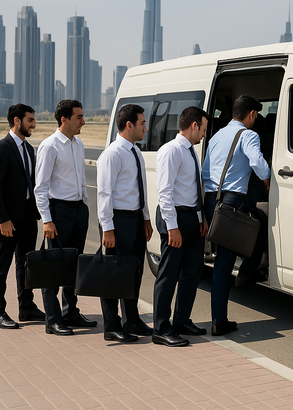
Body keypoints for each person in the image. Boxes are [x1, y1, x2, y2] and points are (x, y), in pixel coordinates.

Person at [202, 95, 271, 336]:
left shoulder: (217, 135)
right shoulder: (248, 135)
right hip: (232, 202)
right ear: (251, 114)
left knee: (222, 255)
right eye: (256, 115)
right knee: (255, 228)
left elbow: (205, 171)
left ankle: (221, 313)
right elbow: (257, 162)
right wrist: (267, 178)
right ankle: (219, 319)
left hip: (213, 201)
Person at [34, 99, 97, 336]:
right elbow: (40, 188)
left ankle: (70, 311)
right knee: (54, 266)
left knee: (75, 264)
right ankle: (52, 318)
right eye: (79, 117)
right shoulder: (50, 146)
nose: (83, 121)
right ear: (64, 119)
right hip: (59, 211)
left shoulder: (78, 144)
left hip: (79, 209)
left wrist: (85, 206)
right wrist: (47, 220)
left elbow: (81, 179)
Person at [152, 106, 210, 347]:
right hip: (175, 218)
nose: (205, 134)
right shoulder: (171, 151)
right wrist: (172, 226)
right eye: (204, 129)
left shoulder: (190, 151)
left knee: (192, 272)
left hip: (191, 219)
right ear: (194, 125)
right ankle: (161, 328)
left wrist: (201, 219)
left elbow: (191, 189)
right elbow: (165, 192)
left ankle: (181, 320)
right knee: (168, 274)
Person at [96, 104, 154, 343]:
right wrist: (107, 228)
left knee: (134, 272)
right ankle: (111, 325)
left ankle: (132, 319)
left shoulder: (136, 152)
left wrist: (146, 218)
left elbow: (141, 189)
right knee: (113, 274)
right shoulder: (112, 154)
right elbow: (104, 194)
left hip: (135, 219)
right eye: (142, 123)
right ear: (129, 125)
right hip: (117, 221)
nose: (145, 127)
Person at [0, 104, 45, 329]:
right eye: (30, 120)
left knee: (26, 264)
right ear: (17, 121)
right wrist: (2, 219)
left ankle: (26, 307)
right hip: (8, 220)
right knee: (1, 266)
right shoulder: (1, 148)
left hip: (28, 218)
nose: (34, 124)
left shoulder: (29, 149)